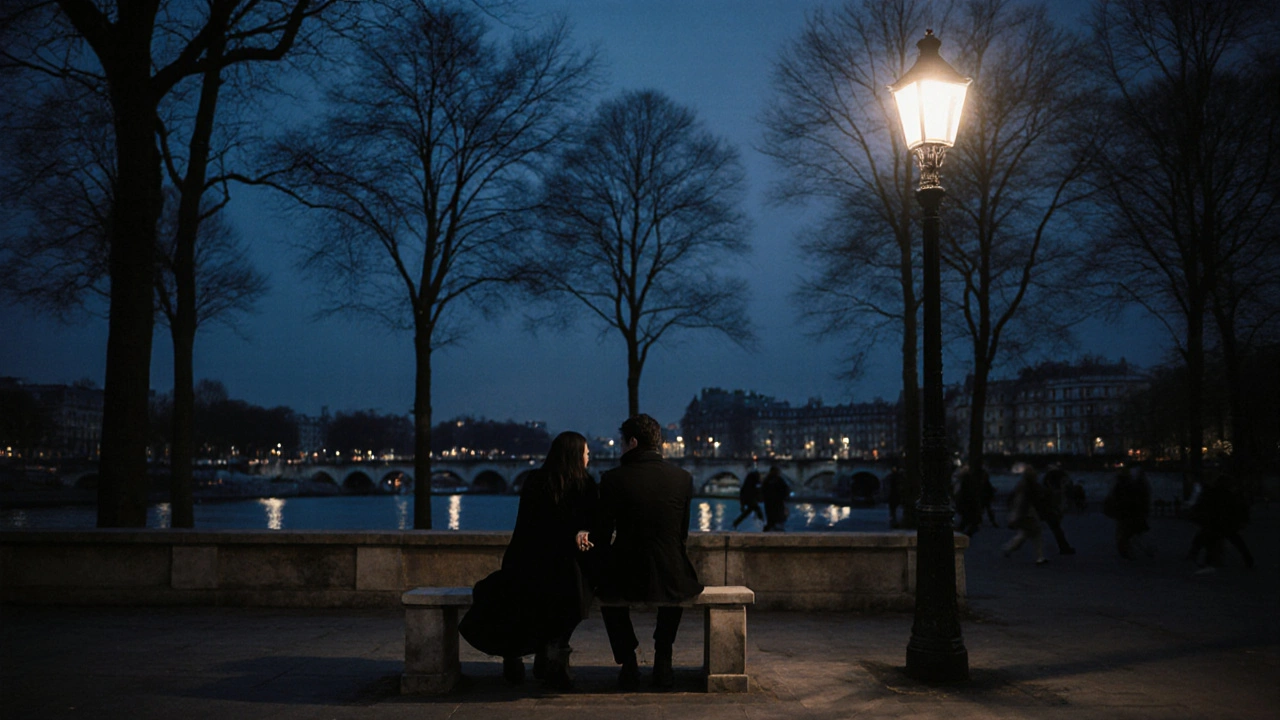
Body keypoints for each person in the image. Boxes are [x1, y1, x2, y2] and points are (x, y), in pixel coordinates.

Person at [458, 431, 598, 691]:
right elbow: (591, 526)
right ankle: (552, 652)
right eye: (586, 452)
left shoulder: (534, 481)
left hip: (527, 562)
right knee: (572, 598)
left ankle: (517, 653)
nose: (589, 457)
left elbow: (527, 527)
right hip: (564, 567)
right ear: (576, 455)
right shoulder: (586, 486)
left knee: (523, 600)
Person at [590, 414, 704, 690]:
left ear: (632, 442)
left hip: (627, 572)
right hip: (671, 571)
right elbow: (681, 534)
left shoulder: (612, 479)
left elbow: (603, 535)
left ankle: (629, 663)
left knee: (607, 593)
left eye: (621, 444)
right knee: (674, 583)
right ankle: (663, 658)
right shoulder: (683, 479)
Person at [1186, 473, 1254, 572]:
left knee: (1206, 539)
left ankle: (1200, 557)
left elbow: (1203, 506)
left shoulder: (1213, 493)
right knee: (1235, 541)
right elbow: (1239, 507)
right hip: (1225, 522)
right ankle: (1248, 559)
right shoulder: (1229, 494)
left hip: (1215, 522)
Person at [1105, 464, 1154, 559]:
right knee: (1130, 532)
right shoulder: (1135, 483)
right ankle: (1133, 549)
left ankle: (1127, 549)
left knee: (1125, 532)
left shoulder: (1123, 483)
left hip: (1125, 511)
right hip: (1129, 511)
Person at [1002, 466, 1048, 565]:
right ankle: (1039, 556)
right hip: (1028, 512)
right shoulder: (1031, 486)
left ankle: (1009, 547)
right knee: (1034, 534)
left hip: (1023, 512)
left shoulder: (1022, 485)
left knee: (1025, 533)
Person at [1038, 464, 1077, 555]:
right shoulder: (1059, 481)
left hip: (1047, 508)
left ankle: (1063, 547)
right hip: (1050, 509)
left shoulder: (1047, 480)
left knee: (1054, 528)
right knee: (1056, 528)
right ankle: (1064, 547)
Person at [953, 464, 983, 536]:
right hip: (969, 503)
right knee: (969, 519)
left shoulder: (965, 481)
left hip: (967, 503)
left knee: (967, 519)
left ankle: (965, 532)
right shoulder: (969, 480)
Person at [761, 465, 790, 532]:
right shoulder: (779, 480)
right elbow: (785, 489)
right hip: (778, 502)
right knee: (778, 517)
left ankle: (769, 527)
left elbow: (763, 490)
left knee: (770, 517)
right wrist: (784, 498)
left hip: (769, 502)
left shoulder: (767, 480)